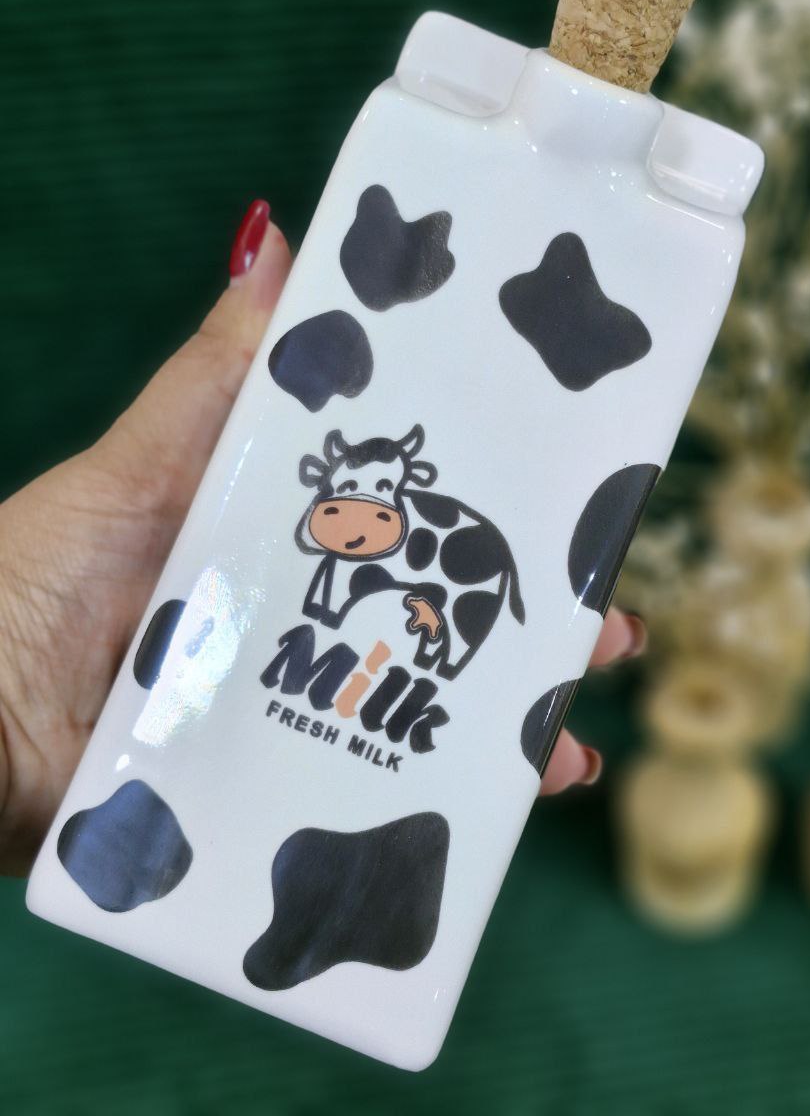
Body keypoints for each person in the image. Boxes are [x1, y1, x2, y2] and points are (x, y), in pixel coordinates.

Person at [0, 200, 647, 876]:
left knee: (481, 677)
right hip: (176, 745)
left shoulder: (443, 527)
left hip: (443, 596)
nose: (356, 517)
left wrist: (17, 737)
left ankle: (429, 678)